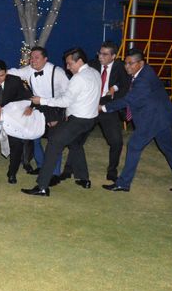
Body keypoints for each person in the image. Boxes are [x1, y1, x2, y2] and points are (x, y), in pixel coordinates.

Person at [22, 47, 101, 196]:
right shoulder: (94, 72)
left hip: (78, 120)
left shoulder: (79, 78)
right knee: (75, 144)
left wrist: (41, 100)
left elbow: (65, 101)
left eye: (70, 63)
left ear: (80, 61)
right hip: (91, 120)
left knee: (53, 142)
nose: (68, 67)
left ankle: (42, 187)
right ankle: (84, 179)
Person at [102, 49, 172, 192]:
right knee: (169, 150)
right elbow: (126, 83)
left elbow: (128, 100)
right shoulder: (142, 72)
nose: (127, 66)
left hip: (153, 119)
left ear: (141, 63)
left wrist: (104, 108)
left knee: (134, 145)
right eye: (126, 63)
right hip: (161, 117)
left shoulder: (144, 79)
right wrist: (115, 87)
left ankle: (123, 183)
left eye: (131, 64)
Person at [61, 41, 130, 182]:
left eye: (105, 54)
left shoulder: (121, 67)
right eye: (99, 53)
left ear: (114, 56)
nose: (100, 57)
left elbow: (125, 87)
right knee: (77, 139)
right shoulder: (92, 65)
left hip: (108, 106)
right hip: (90, 107)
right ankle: (68, 170)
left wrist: (114, 89)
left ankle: (112, 171)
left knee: (116, 141)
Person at [8, 46, 69, 179]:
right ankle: (41, 165)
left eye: (36, 57)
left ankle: (55, 173)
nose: (32, 60)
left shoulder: (57, 72)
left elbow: (68, 95)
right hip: (38, 107)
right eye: (31, 57)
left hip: (55, 107)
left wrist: (61, 115)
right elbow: (13, 72)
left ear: (45, 59)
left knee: (54, 141)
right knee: (34, 138)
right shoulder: (29, 70)